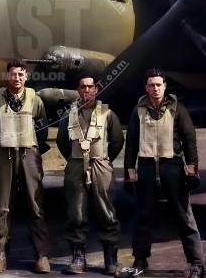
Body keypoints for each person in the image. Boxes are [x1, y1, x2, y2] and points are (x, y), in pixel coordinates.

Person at [124, 69, 205, 278]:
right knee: (144, 216)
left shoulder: (177, 108)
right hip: (147, 167)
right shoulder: (138, 110)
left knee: (184, 215)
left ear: (165, 86)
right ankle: (141, 260)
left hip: (173, 167)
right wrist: (129, 170)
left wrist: (192, 168)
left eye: (159, 84)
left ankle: (197, 263)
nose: (155, 88)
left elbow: (189, 139)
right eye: (151, 85)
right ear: (146, 87)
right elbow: (131, 142)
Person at [0, 59, 51, 274]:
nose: (17, 78)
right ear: (7, 76)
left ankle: (41, 254)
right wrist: (0, 148)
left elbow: (42, 129)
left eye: (21, 74)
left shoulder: (36, 100)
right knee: (1, 206)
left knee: (35, 204)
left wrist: (32, 150)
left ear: (26, 77)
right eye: (13, 74)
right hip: (3, 155)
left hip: (29, 153)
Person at [56, 76, 124, 275]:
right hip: (76, 165)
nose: (87, 90)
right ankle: (78, 257)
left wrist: (103, 161)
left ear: (96, 89)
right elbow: (62, 141)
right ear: (78, 90)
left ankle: (111, 259)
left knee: (106, 211)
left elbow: (117, 140)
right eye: (83, 86)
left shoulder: (107, 113)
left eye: (90, 86)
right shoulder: (69, 115)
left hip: (100, 164)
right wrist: (75, 160)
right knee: (76, 212)